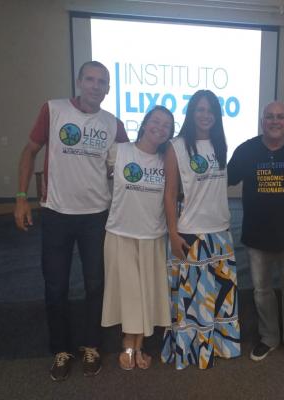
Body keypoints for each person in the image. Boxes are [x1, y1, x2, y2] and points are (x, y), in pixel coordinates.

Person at [14, 61, 129, 381]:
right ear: (79, 82)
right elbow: (29, 151)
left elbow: (121, 168)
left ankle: (92, 345)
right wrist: (21, 196)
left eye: (102, 82)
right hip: (56, 214)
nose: (95, 86)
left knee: (96, 285)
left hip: (97, 217)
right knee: (56, 286)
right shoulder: (54, 110)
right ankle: (61, 350)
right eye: (90, 79)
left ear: (108, 89)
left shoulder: (113, 124)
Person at [228, 101, 284, 370]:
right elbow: (225, 179)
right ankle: (269, 338)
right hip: (256, 237)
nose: (274, 121)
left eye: (279, 117)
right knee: (262, 292)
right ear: (262, 121)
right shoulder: (246, 150)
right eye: (269, 117)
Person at [160, 90, 240, 370]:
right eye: (200, 110)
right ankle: (192, 351)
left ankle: (218, 347)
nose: (206, 115)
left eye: (211, 110)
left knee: (220, 297)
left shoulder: (220, 143)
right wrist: (173, 233)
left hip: (221, 232)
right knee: (193, 300)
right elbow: (170, 194)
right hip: (191, 232)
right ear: (191, 113)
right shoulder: (176, 146)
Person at [101, 106, 174, 370]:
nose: (160, 128)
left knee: (146, 293)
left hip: (153, 236)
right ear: (144, 123)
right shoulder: (119, 151)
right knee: (130, 294)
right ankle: (129, 344)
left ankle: (138, 344)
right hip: (120, 233)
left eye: (167, 125)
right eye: (156, 121)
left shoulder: (167, 161)